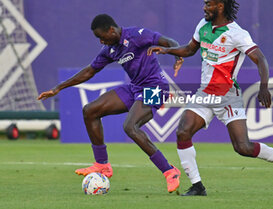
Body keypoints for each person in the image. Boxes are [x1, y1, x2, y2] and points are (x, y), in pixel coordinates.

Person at [147, 0, 273, 196]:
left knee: (243, 148)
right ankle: (198, 186)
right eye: (204, 3)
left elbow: (261, 59)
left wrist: (264, 87)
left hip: (228, 96)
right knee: (183, 132)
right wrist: (167, 50)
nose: (204, 7)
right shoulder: (203, 25)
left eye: (208, 4)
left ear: (220, 6)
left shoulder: (237, 34)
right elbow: (191, 49)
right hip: (204, 94)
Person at [37, 14, 184, 193]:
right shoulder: (110, 49)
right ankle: (102, 165)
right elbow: (90, 71)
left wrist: (178, 55)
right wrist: (58, 88)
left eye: (102, 37)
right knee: (90, 111)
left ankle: (170, 171)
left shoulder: (137, 35)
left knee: (131, 127)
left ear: (111, 30)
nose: (101, 41)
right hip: (135, 88)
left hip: (156, 88)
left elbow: (168, 41)